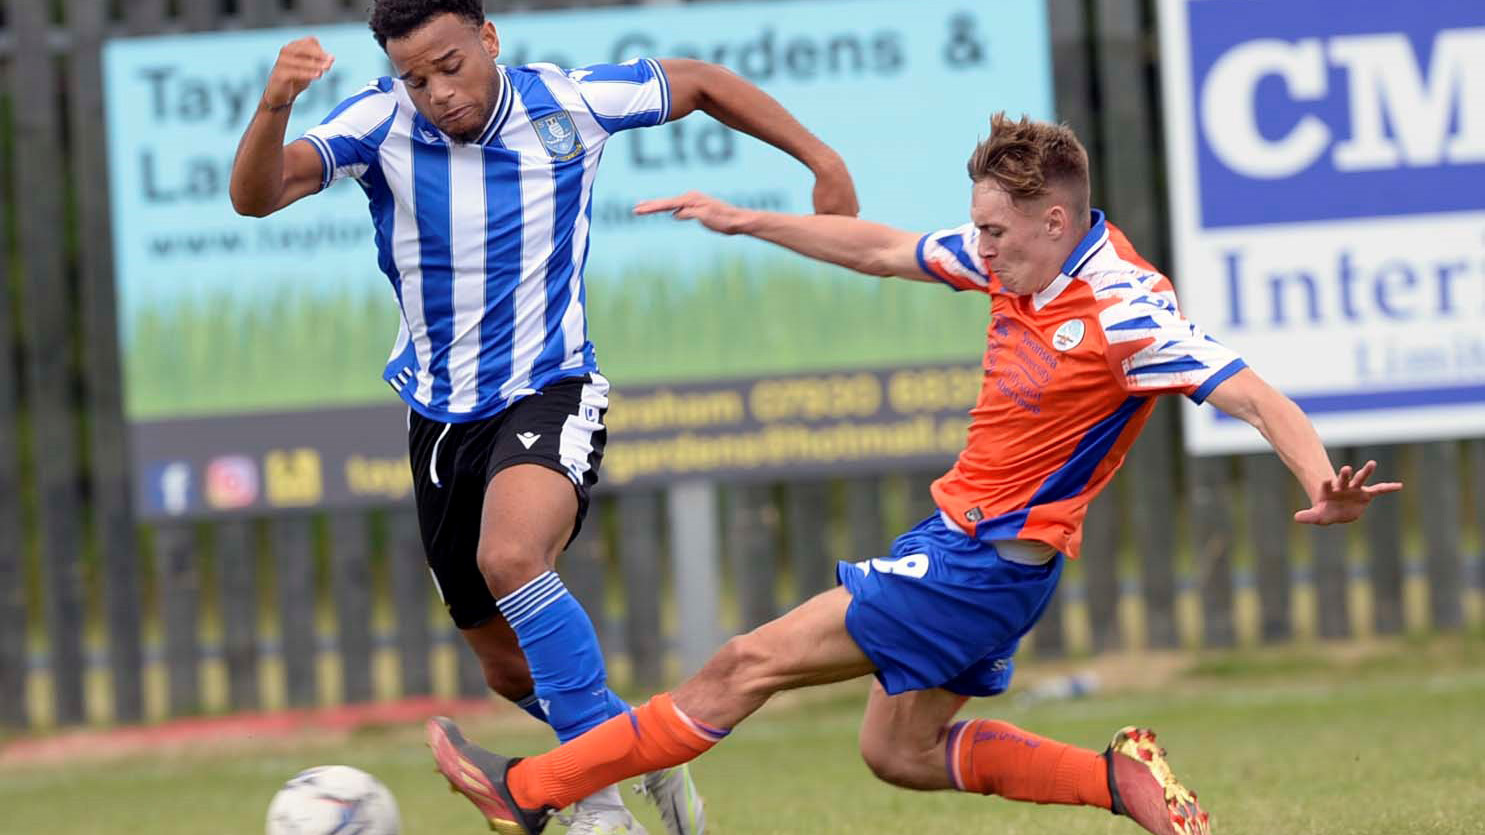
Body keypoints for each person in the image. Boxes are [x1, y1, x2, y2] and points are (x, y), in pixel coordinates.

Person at [424, 112, 1403, 835]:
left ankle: (530, 792)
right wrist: (749, 220)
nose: (978, 249)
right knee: (896, 753)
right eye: (976, 229)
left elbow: (1253, 394)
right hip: (967, 550)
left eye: (995, 233)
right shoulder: (1018, 261)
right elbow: (886, 248)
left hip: (985, 567)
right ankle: (1122, 777)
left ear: (1055, 221)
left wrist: (1322, 482)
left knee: (742, 664)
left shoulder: (1125, 310)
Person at [228, 2, 859, 833]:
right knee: (501, 665)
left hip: (551, 384)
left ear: (489, 41)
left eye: (450, 66)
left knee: (512, 554)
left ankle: (593, 806)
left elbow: (701, 83)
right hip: (439, 416)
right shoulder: (378, 121)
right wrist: (275, 105)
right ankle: (647, 759)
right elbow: (257, 197)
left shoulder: (568, 103)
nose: (438, 93)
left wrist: (822, 160)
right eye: (417, 79)